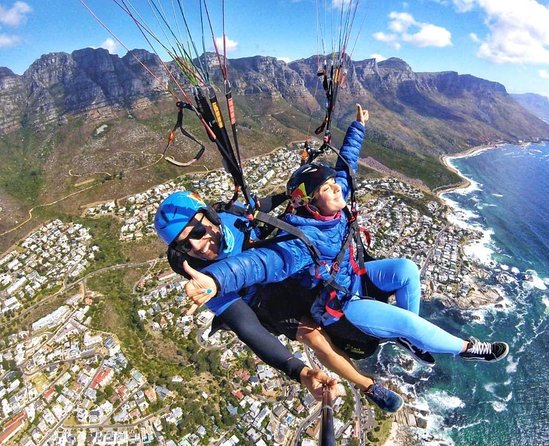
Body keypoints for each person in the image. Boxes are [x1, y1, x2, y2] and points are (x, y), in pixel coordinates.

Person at [183, 104, 509, 366]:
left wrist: (358, 126)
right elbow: (263, 262)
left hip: (355, 274)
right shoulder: (302, 241)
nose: (337, 188)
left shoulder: (332, 208)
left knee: (408, 269)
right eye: (327, 188)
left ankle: (410, 339)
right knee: (406, 323)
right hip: (341, 303)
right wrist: (216, 279)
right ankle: (467, 348)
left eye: (333, 185)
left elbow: (346, 166)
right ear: (310, 200)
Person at [154, 190, 404, 412]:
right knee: (313, 336)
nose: (197, 245)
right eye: (185, 245)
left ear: (210, 216)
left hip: (280, 270)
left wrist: (292, 194)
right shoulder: (203, 279)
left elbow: (260, 205)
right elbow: (247, 328)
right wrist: (300, 371)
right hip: (261, 299)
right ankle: (369, 387)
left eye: (197, 232)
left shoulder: (233, 215)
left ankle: (392, 321)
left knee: (336, 278)